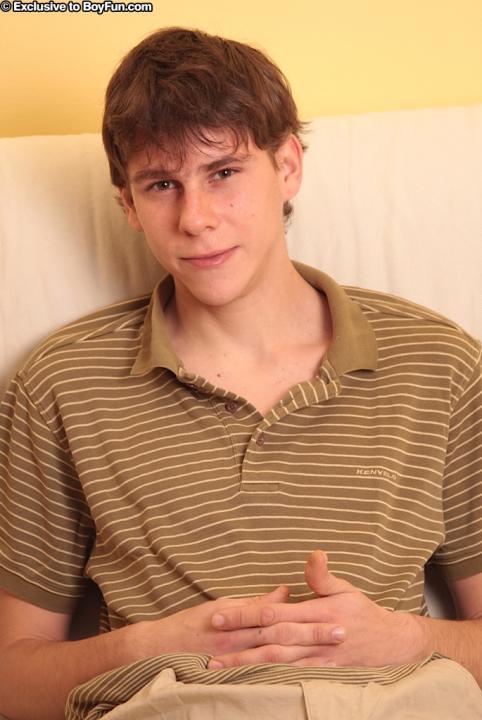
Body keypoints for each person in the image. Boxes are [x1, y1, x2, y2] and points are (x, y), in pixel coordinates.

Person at [0, 26, 481, 720]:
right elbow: (11, 682)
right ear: (128, 205)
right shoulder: (62, 381)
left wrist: (407, 641)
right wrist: (148, 648)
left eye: (223, 173)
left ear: (288, 165)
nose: (195, 218)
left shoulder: (439, 362)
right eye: (162, 185)